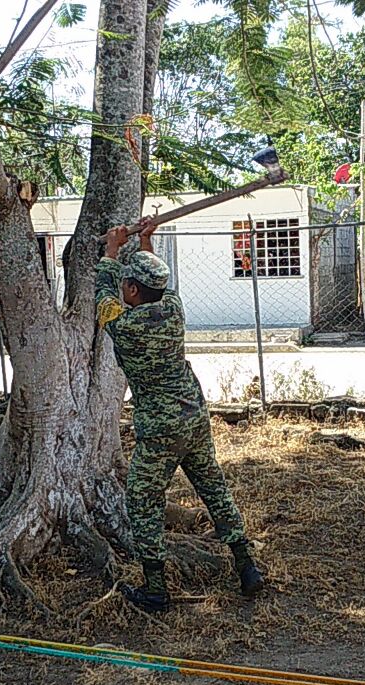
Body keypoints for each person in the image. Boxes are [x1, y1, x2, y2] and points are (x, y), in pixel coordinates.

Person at [95, 218, 265, 612]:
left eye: (127, 286)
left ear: (133, 291)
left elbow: (103, 295)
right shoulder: (173, 307)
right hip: (193, 418)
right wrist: (146, 241)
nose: (123, 290)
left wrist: (111, 252)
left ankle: (155, 587)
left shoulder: (126, 325)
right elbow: (153, 283)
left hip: (161, 428)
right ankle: (246, 566)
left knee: (141, 500)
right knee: (214, 490)